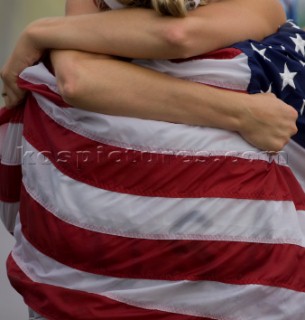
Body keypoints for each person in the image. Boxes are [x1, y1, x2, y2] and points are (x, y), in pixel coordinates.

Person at [1, 0, 305, 319]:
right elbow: (80, 79)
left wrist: (42, 32)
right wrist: (240, 113)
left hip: (90, 285)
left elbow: (177, 34)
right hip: (233, 283)